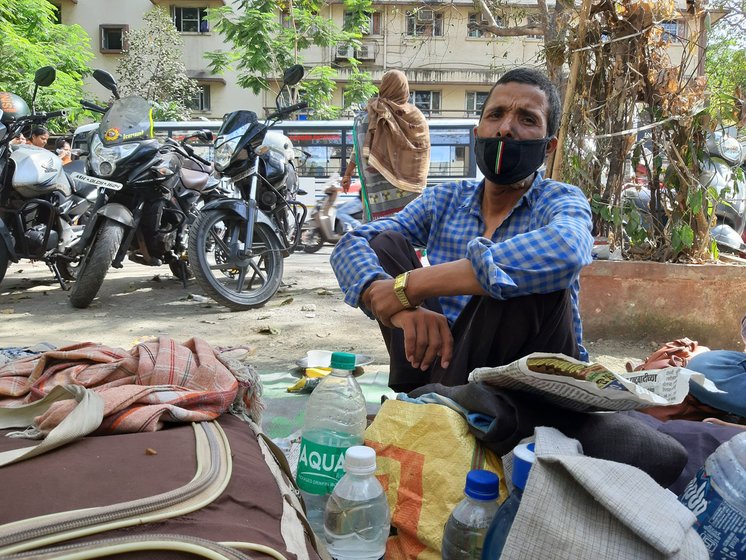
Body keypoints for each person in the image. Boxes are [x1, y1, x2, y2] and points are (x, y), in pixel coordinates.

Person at [330, 67, 594, 392]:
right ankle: (426, 396)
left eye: (527, 119)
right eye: (495, 115)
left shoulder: (560, 200)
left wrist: (411, 287)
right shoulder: (445, 199)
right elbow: (353, 242)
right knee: (386, 243)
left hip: (530, 386)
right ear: (477, 132)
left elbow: (567, 250)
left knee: (529, 281)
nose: (505, 129)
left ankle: (446, 403)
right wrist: (393, 304)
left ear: (548, 146)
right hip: (441, 363)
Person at [341, 69, 430, 220]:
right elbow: (421, 153)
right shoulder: (417, 118)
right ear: (405, 89)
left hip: (378, 198)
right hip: (412, 194)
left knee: (377, 237)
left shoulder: (369, 116)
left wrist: (348, 173)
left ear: (384, 87)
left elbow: (360, 149)